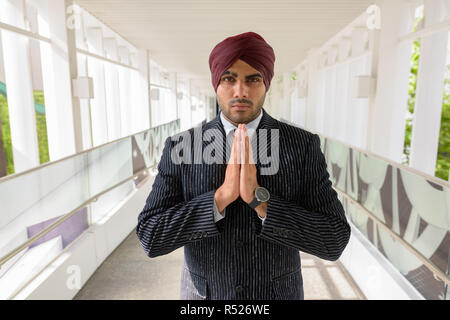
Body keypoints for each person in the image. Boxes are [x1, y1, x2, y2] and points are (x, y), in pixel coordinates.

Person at [136, 32, 351, 300]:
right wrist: (219, 198)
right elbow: (151, 235)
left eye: (253, 79)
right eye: (229, 79)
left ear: (266, 84)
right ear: (216, 83)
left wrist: (261, 201)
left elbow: (333, 239)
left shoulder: (301, 146)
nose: (241, 91)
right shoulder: (182, 147)